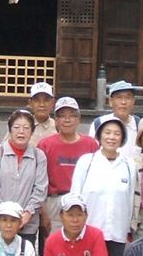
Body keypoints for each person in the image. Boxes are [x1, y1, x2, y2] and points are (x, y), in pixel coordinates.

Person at [71, 113, 137, 256]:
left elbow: (130, 199)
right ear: (99, 136)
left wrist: (129, 228)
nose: (111, 137)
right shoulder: (87, 162)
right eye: (107, 132)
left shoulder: (129, 165)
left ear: (122, 138)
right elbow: (75, 196)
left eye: (117, 133)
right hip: (90, 229)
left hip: (117, 231)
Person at [0, 108, 48, 246]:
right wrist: (5, 214)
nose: (21, 131)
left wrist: (27, 214)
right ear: (10, 130)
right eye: (16, 127)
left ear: (32, 131)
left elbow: (40, 188)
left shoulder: (38, 156)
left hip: (26, 224)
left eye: (26, 128)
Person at [37, 96, 99, 235]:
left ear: (79, 118)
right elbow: (38, 180)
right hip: (54, 202)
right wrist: (43, 211)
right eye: (62, 116)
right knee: (54, 243)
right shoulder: (45, 145)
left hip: (82, 201)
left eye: (72, 115)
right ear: (56, 120)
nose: (67, 120)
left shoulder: (91, 144)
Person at [89, 79, 139, 159]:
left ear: (133, 101)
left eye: (128, 97)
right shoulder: (99, 124)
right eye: (119, 97)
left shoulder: (139, 125)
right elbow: (91, 153)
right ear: (110, 101)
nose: (123, 102)